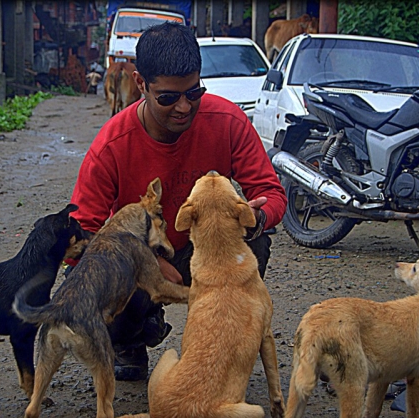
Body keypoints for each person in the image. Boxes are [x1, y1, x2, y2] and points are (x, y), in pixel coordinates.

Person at [69, 22, 287, 381]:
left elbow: (273, 193)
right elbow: (79, 238)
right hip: (141, 258)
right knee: (94, 277)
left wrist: (257, 217)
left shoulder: (227, 121)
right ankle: (130, 339)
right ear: (140, 84)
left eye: (194, 92)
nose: (184, 107)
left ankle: (225, 337)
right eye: (168, 98)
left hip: (204, 250)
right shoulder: (111, 146)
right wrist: (144, 264)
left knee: (257, 242)